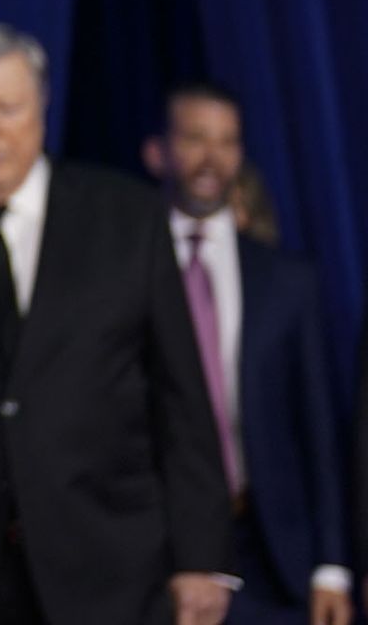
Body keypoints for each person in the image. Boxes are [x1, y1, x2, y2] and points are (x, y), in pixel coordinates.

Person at [0, 23, 232, 625]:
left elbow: (181, 397)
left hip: (114, 568)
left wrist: (201, 558)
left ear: (42, 108)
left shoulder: (126, 217)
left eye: (8, 107)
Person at [143, 83, 352, 625]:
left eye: (227, 141)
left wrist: (332, 565)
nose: (211, 157)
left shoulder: (288, 280)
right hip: (155, 554)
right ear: (158, 151)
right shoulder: (122, 268)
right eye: (195, 138)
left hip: (272, 552)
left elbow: (318, 430)